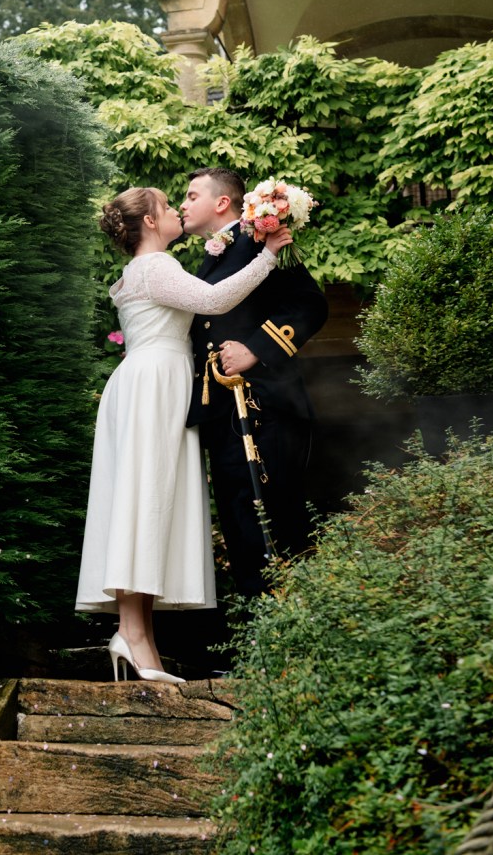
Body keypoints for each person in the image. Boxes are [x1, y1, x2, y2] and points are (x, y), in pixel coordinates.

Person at [75, 186, 291, 683]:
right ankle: (133, 636)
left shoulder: (138, 271)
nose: (175, 211)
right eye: (167, 206)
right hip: (155, 385)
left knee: (143, 504)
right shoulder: (156, 267)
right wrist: (268, 254)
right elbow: (214, 300)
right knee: (145, 502)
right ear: (150, 222)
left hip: (146, 382)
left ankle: (138, 638)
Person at [181, 167, 329, 597]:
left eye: (192, 196)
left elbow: (309, 305)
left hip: (268, 405)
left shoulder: (262, 239)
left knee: (275, 517)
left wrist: (255, 348)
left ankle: (292, 627)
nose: (184, 204)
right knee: (240, 520)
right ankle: (256, 634)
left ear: (221, 202)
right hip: (224, 410)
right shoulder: (213, 253)